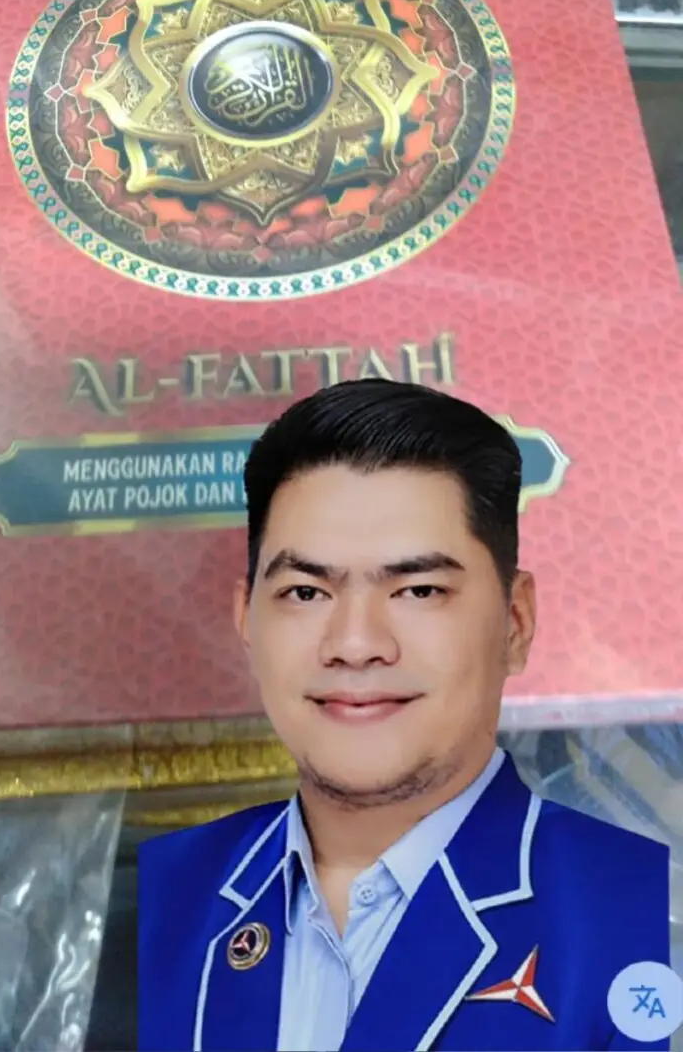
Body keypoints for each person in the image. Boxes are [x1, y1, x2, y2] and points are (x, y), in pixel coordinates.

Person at [138, 380, 670, 1051]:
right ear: (247, 621)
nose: (356, 643)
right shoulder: (150, 902)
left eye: (418, 590)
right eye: (305, 592)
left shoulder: (644, 911)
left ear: (514, 622)